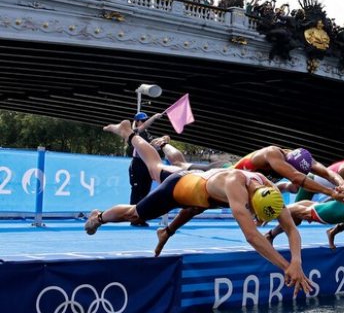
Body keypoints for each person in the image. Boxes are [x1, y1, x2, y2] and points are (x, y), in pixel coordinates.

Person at [85, 120, 312, 294]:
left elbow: (291, 228)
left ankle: (154, 144)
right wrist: (285, 266)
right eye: (255, 213)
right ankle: (101, 214)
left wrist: (297, 262)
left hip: (200, 186)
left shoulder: (269, 188)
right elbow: (252, 237)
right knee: (136, 208)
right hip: (179, 187)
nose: (254, 218)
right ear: (252, 202)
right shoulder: (236, 188)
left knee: (184, 179)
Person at [120, 111, 163, 226]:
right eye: (142, 120)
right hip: (137, 165)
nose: (144, 122)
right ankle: (133, 218)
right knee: (136, 191)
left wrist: (162, 141)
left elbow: (152, 146)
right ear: (137, 122)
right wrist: (154, 117)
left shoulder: (147, 134)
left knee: (145, 192)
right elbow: (143, 127)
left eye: (145, 120)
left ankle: (141, 217)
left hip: (146, 165)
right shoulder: (134, 133)